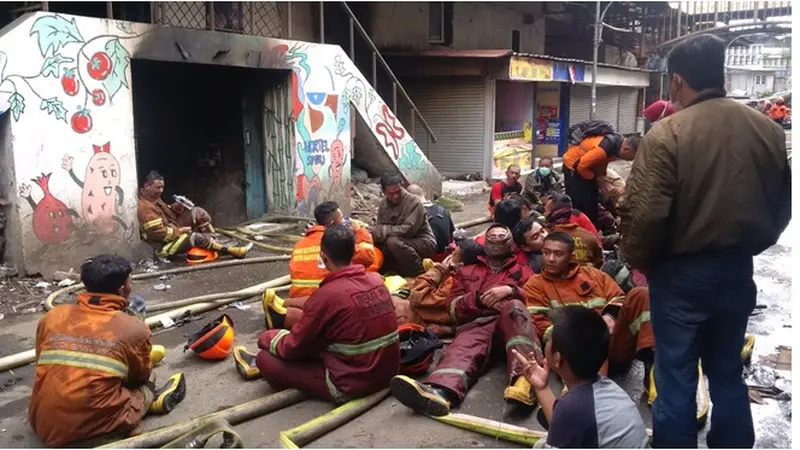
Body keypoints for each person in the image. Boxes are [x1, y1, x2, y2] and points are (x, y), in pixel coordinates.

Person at [619, 34, 791, 449]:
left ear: (676, 81)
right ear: (722, 73)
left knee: (675, 376)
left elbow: (643, 217)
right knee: (727, 371)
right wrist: (749, 245)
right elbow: (782, 205)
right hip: (736, 270)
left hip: (680, 276)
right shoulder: (767, 129)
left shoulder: (667, 134)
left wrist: (642, 262)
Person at [29, 255, 186, 447]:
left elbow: (42, 365)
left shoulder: (52, 317)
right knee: (150, 379)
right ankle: (145, 408)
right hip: (93, 430)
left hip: (43, 422)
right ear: (121, 289)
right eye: (130, 281)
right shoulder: (132, 327)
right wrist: (137, 328)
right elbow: (139, 377)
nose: (131, 285)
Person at [234, 225, 400, 403]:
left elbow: (294, 348)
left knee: (265, 359)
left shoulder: (327, 295)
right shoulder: (377, 281)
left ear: (323, 256)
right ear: (354, 252)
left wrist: (268, 338)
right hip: (388, 375)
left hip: (351, 384)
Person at [390, 224, 540, 415]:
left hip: (511, 326)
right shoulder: (467, 272)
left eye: (502, 235)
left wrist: (512, 291)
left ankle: (525, 381)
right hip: (478, 324)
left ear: (510, 243)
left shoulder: (525, 272)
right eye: (492, 236)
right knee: (463, 348)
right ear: (485, 243)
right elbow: (453, 309)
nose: (497, 239)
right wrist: (478, 299)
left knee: (515, 309)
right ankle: (440, 392)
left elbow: (533, 303)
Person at [523, 233, 653, 389]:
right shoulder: (534, 286)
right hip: (573, 356)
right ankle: (579, 393)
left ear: (571, 256)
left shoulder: (594, 275)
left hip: (611, 346)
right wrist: (583, 337)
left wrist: (610, 316)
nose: (550, 258)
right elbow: (540, 323)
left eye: (558, 253)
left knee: (641, 294)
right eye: (546, 252)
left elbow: (619, 297)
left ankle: (653, 373)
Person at [513, 306, 649, 448]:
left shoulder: (573, 408)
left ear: (558, 358)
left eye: (550, 341)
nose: (546, 343)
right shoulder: (609, 389)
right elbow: (564, 426)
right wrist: (542, 388)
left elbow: (565, 421)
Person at [264, 201, 379, 330]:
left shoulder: (299, 244)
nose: (344, 222)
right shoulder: (336, 242)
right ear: (332, 224)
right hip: (326, 300)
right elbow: (369, 257)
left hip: (298, 297)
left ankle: (286, 309)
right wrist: (360, 231)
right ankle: (289, 317)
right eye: (341, 219)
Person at [137, 171, 250, 259]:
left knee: (198, 212)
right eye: (158, 187)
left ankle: (214, 240)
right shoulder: (144, 206)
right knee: (195, 237)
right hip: (163, 246)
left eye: (162, 187)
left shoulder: (155, 199)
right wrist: (179, 231)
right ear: (147, 186)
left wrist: (177, 207)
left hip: (173, 228)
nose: (161, 190)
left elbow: (169, 214)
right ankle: (228, 250)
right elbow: (156, 233)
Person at [562, 124, 640, 226]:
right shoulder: (605, 148)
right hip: (573, 166)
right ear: (627, 149)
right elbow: (581, 166)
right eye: (631, 157)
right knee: (580, 201)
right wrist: (594, 178)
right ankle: (578, 226)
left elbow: (603, 162)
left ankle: (593, 226)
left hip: (587, 167)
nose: (630, 160)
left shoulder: (617, 145)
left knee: (593, 200)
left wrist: (601, 177)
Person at [409, 238, 485, 338]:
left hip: (423, 314)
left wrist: (440, 269)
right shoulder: (478, 272)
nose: (451, 253)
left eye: (454, 254)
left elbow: (418, 296)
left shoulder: (455, 282)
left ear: (460, 264)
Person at [372, 173, 437, 277]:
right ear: (384, 192)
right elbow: (379, 228)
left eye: (398, 192)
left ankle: (418, 272)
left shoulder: (414, 202)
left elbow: (408, 230)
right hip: (398, 240)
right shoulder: (383, 204)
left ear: (402, 187)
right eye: (391, 194)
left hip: (422, 241)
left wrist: (384, 231)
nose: (396, 196)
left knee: (393, 242)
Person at [407, 184, 455, 262]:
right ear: (424, 194)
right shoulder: (443, 210)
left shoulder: (414, 214)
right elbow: (451, 236)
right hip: (446, 256)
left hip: (428, 259)